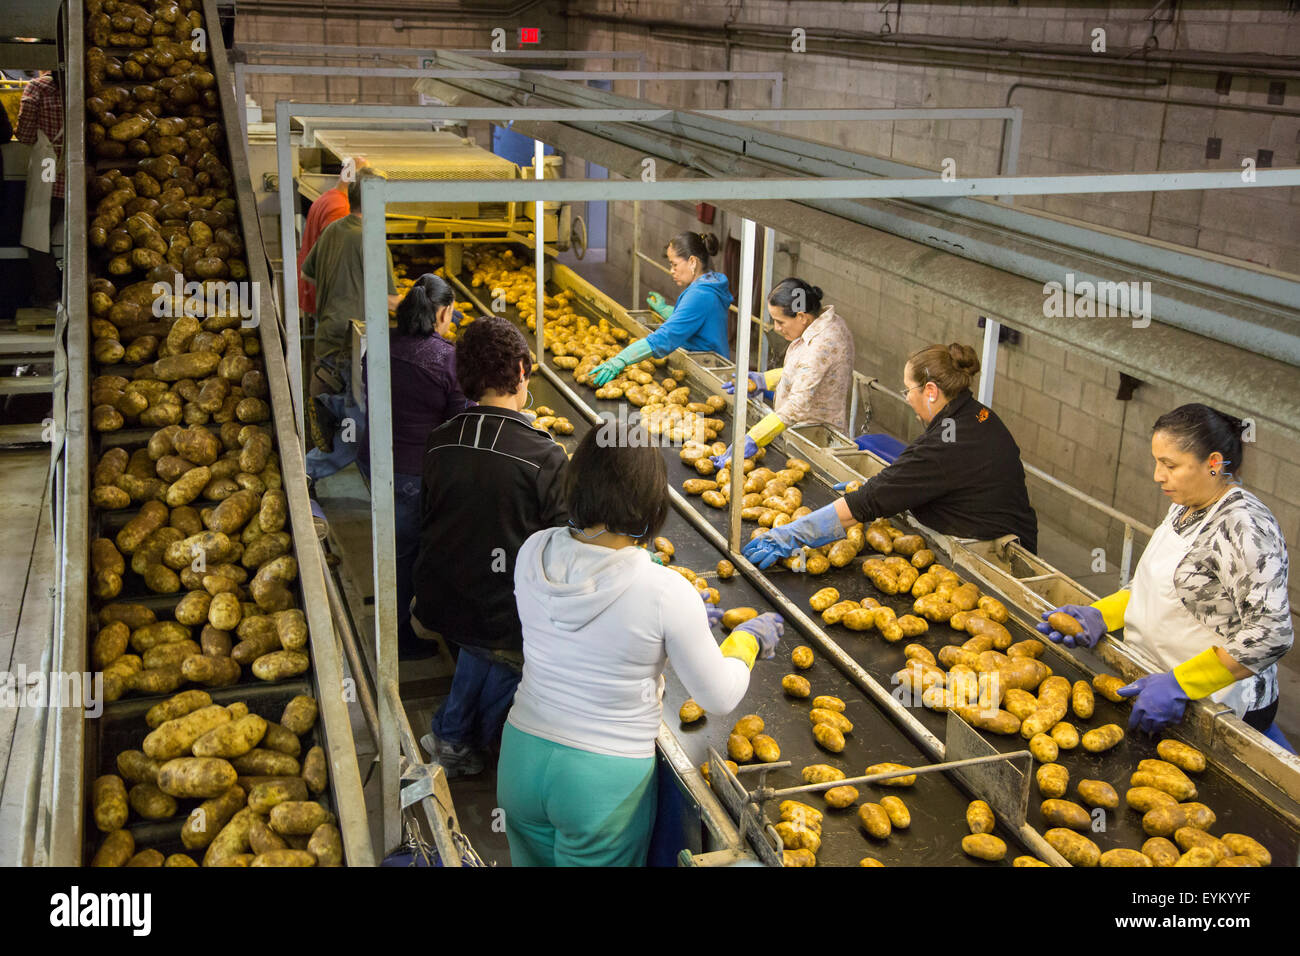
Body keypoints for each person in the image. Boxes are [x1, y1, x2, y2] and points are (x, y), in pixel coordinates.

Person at [499, 424, 784, 866]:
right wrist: (745, 642)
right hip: (600, 780)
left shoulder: (532, 550)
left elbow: (582, 612)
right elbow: (719, 697)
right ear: (653, 504)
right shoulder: (666, 591)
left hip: (522, 755)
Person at [1039, 404, 1293, 744]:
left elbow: (1271, 633)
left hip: (1220, 703)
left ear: (1214, 464)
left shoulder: (1245, 527)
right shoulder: (1185, 505)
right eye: (1158, 462)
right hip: (1156, 681)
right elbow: (1154, 585)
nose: (1158, 475)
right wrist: (1101, 614)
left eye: (1170, 465)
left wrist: (1182, 683)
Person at [410, 317, 569, 777]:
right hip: (498, 612)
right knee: (518, 642)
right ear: (522, 370)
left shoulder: (439, 440)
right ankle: (460, 737)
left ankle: (451, 733)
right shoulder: (544, 455)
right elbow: (561, 546)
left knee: (483, 632)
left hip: (439, 593)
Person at [744, 343, 1038, 571]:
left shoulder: (948, 441)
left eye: (908, 389)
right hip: (1002, 532)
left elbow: (872, 500)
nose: (907, 397)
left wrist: (791, 535)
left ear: (931, 391)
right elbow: (925, 474)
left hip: (988, 559)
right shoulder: (976, 414)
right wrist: (879, 484)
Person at [357, 274, 472, 660]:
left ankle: (408, 616)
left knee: (396, 545)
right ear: (442, 312)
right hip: (415, 473)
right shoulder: (447, 359)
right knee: (415, 551)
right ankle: (399, 638)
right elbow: (460, 423)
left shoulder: (378, 347)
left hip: (378, 462)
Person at [300, 165, 402, 479]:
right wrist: (427, 302)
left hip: (327, 335)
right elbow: (389, 300)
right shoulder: (371, 239)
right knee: (357, 427)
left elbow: (308, 272)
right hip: (352, 344)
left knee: (344, 410)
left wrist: (346, 281)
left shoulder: (334, 230)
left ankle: (325, 409)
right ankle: (306, 471)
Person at [714, 278, 856, 468]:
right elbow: (807, 371)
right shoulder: (827, 323)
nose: (777, 328)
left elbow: (797, 405)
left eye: (780, 321)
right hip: (799, 430)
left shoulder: (822, 345)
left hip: (813, 440)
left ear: (802, 317)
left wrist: (754, 438)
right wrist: (764, 380)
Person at [590, 231, 732, 385]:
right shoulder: (711, 282)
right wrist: (666, 310)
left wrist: (621, 359)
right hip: (713, 363)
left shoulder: (700, 294)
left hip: (709, 375)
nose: (671, 270)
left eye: (674, 264)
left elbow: (664, 338)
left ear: (692, 261)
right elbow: (693, 318)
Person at [15, 70, 64, 310]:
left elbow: (23, 135)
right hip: (84, 171)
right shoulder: (83, 86)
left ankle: (48, 295)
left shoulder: (37, 88)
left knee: (38, 235)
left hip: (49, 169)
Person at [297, 157, 363, 328]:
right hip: (332, 303)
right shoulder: (341, 208)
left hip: (316, 292)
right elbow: (336, 263)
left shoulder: (326, 198)